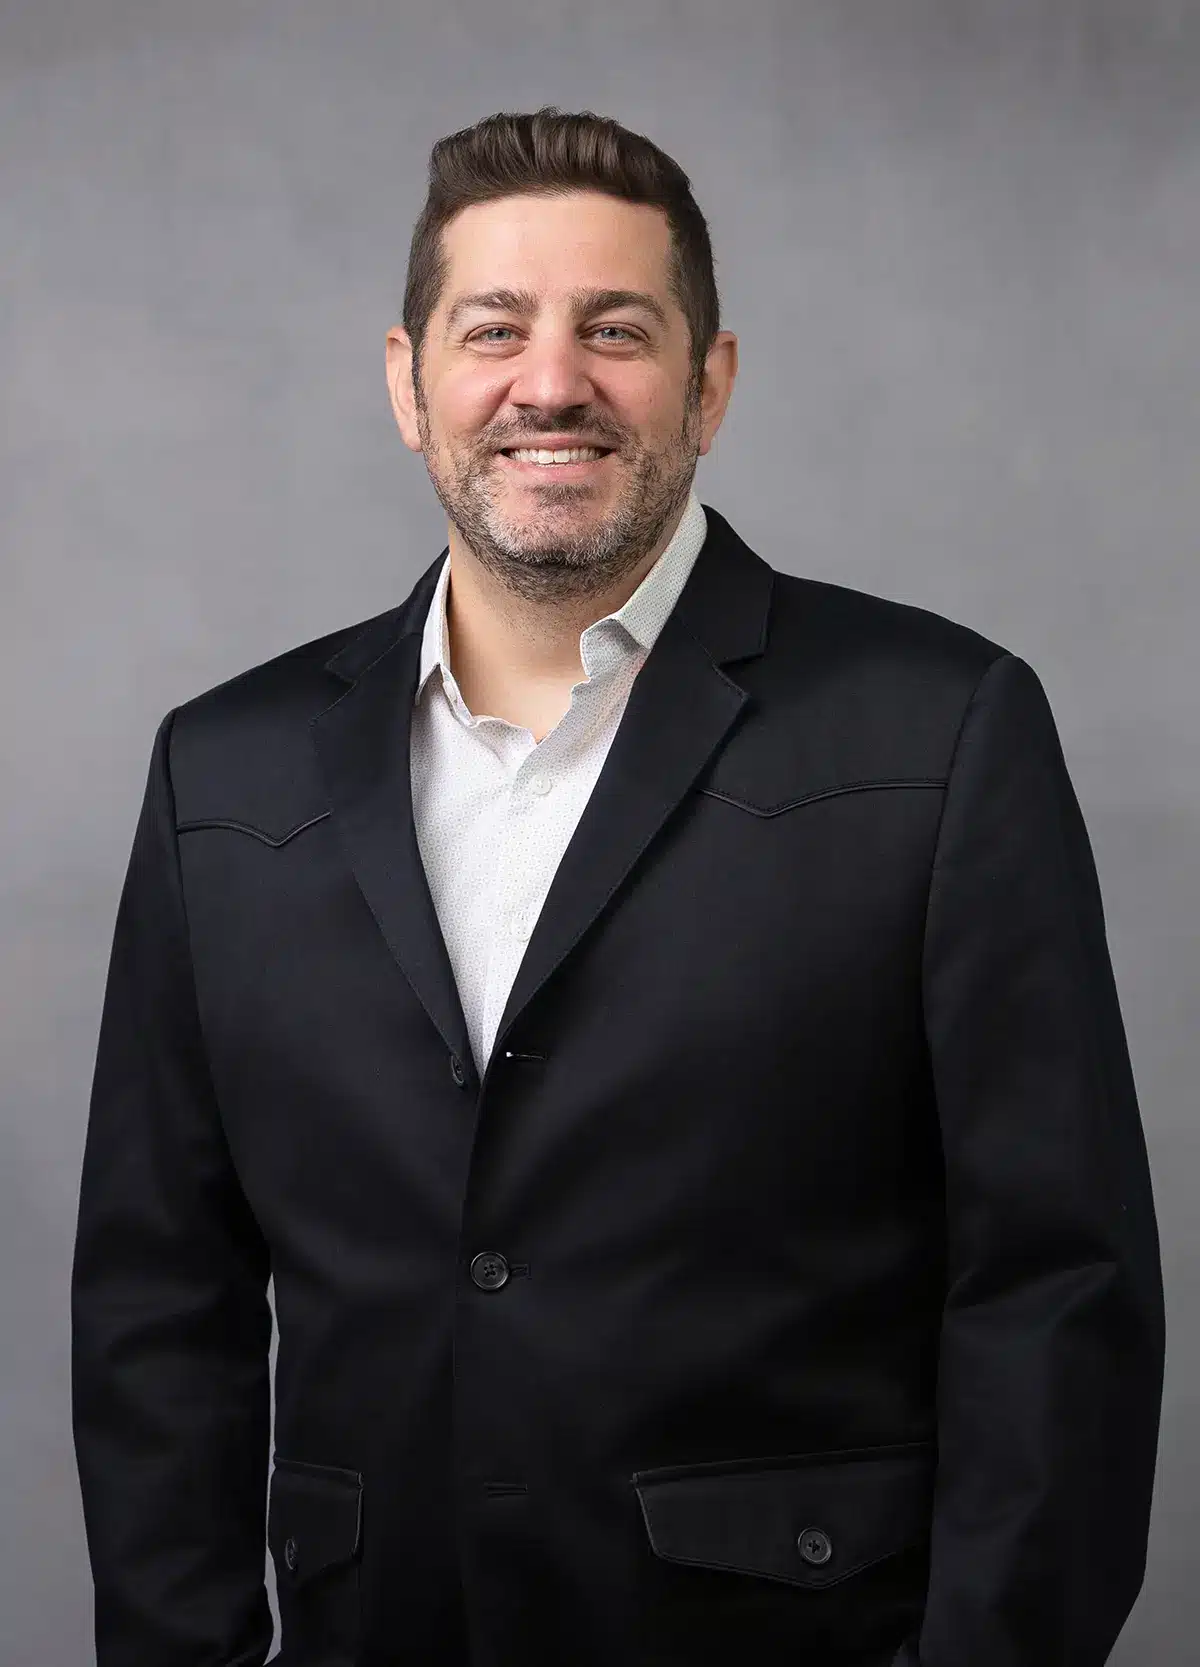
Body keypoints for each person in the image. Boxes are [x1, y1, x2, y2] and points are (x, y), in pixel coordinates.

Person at [71, 105, 1165, 1667]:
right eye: (494, 328)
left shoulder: (940, 729)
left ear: (709, 383)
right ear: (408, 383)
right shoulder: (222, 776)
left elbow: (1056, 1289)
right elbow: (156, 1301)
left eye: (615, 329)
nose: (550, 382)